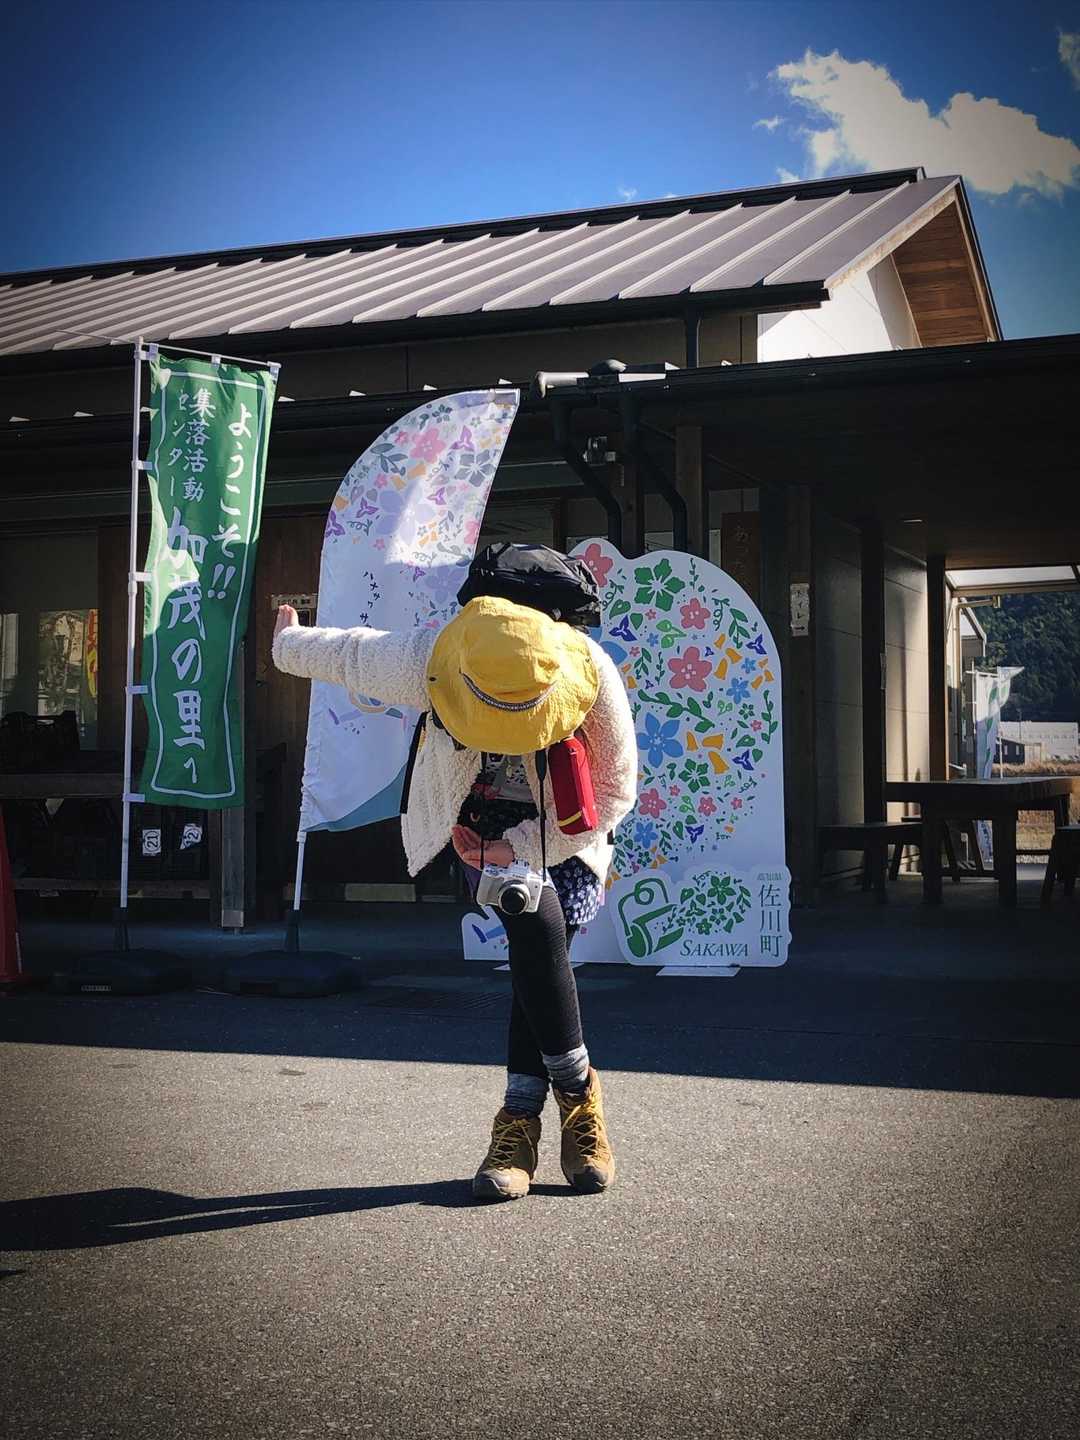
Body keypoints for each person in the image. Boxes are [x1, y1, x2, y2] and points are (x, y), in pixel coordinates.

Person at [273, 586, 637, 1201]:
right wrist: (288, 644)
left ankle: (520, 1120)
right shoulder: (439, 655)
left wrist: (522, 846)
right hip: (480, 831)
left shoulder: (589, 668)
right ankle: (576, 1101)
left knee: (535, 963)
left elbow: (615, 789)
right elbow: (356, 655)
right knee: (533, 928)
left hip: (567, 832)